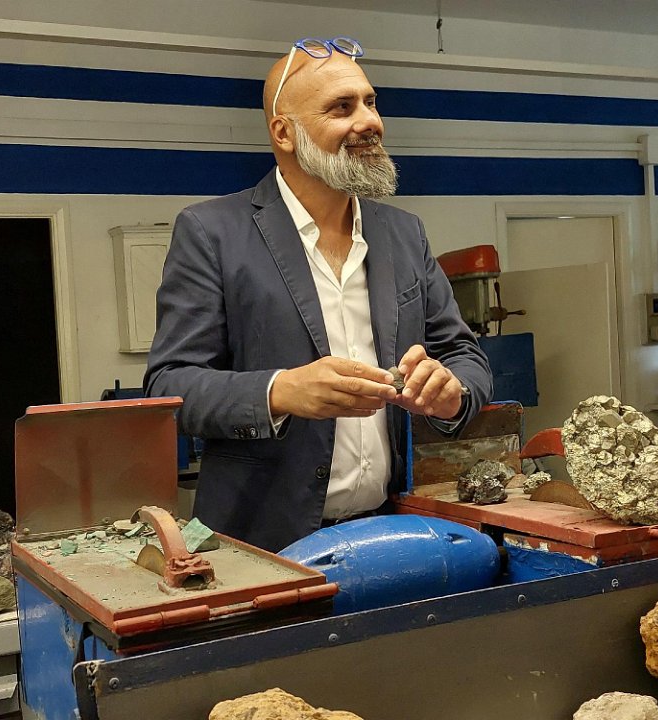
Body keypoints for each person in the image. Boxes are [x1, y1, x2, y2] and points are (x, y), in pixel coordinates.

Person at [144, 36, 492, 552]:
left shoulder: (403, 234)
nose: (369, 121)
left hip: (391, 529)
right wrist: (280, 391)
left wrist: (451, 390)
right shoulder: (212, 232)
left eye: (370, 102)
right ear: (284, 133)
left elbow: (464, 354)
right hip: (262, 542)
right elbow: (169, 388)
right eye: (342, 107)